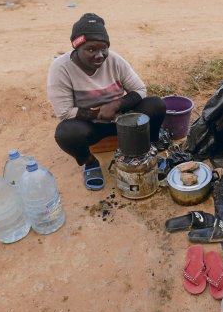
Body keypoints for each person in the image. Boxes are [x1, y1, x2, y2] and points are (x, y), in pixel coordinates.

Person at [47, 13, 166, 190]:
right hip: (92, 126)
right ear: (76, 47)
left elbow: (140, 90)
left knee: (156, 105)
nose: (100, 55)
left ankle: (147, 149)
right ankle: (90, 162)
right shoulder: (61, 68)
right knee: (66, 133)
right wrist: (98, 114)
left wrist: (116, 105)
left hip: (124, 120)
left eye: (104, 48)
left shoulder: (115, 60)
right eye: (91, 49)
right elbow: (64, 112)